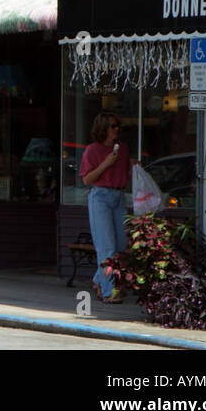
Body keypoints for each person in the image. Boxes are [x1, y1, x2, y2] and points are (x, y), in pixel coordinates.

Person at [81, 111, 133, 303]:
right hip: (100, 197)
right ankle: (109, 291)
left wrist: (132, 168)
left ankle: (98, 279)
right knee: (106, 247)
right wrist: (106, 164)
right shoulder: (92, 150)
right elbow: (87, 179)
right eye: (112, 126)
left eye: (117, 125)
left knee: (119, 246)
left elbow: (125, 177)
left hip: (119, 196)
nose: (116, 129)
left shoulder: (123, 149)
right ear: (103, 129)